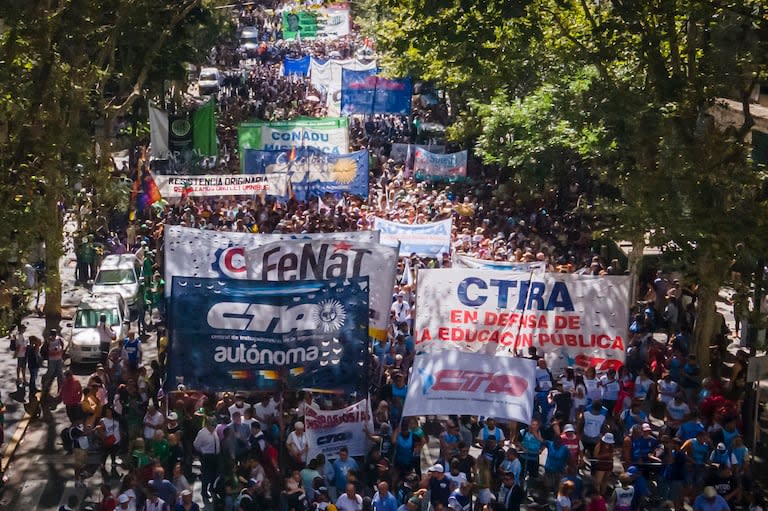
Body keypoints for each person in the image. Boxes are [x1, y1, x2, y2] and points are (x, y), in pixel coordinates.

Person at [193, 417, 220, 500]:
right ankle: (204, 491)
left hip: (215, 456)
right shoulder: (202, 433)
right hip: (206, 456)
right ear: (207, 425)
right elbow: (196, 445)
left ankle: (212, 488)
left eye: (215, 425)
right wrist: (202, 451)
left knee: (215, 473)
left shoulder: (214, 431)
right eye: (212, 425)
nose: (214, 427)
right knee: (206, 474)